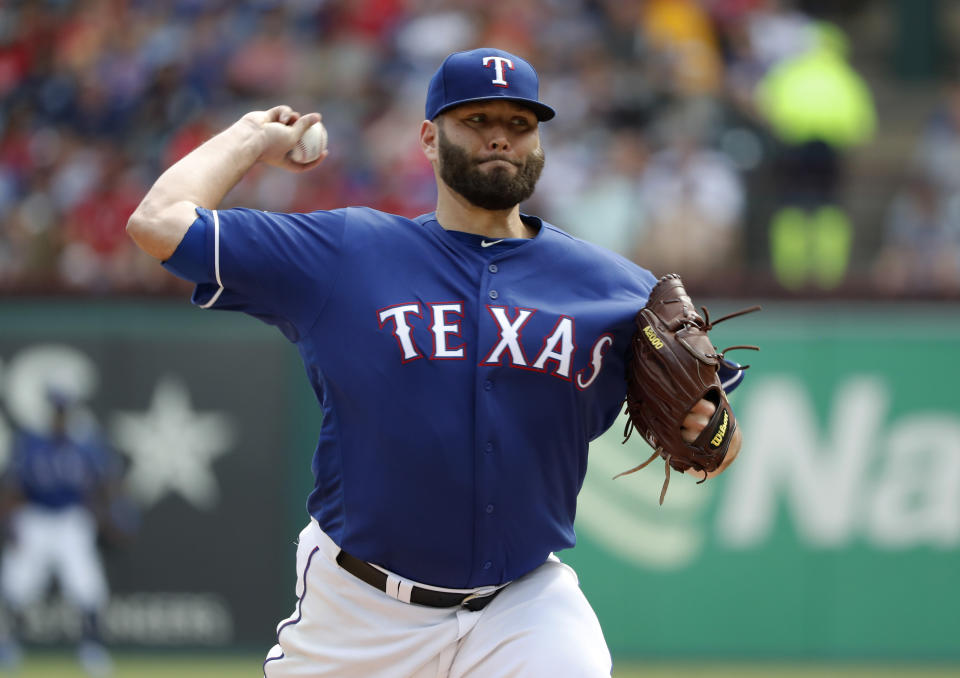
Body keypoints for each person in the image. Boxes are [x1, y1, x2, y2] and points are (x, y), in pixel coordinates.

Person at [126, 47, 744, 678]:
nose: (500, 135)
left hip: (523, 606)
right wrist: (251, 137)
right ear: (428, 137)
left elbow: (717, 434)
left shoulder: (614, 287)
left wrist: (714, 434)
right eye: (476, 119)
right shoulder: (346, 254)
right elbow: (159, 223)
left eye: (520, 123)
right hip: (361, 609)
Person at [0, 390, 117, 677]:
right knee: (16, 584)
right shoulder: (30, 443)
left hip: (70, 519)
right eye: (57, 412)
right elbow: (14, 488)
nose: (60, 418)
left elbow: (103, 485)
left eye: (64, 412)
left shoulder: (85, 444)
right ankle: (9, 644)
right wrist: (11, 523)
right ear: (50, 413)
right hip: (36, 517)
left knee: (87, 584)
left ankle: (92, 647)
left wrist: (105, 517)